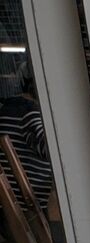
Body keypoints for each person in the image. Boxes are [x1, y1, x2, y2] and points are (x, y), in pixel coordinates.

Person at [0, 70, 53, 212]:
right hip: (30, 207)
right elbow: (50, 151)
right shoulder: (30, 112)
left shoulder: (7, 109)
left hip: (11, 204)